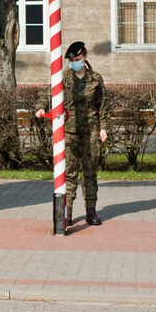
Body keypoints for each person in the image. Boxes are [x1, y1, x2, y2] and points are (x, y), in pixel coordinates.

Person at [35, 41, 109, 226]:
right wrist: (41, 107)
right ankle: (67, 213)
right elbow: (48, 94)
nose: (73, 63)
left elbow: (103, 105)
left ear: (84, 57)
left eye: (77, 59)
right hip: (69, 131)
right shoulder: (63, 78)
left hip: (90, 131)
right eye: (71, 60)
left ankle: (91, 212)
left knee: (90, 172)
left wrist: (103, 127)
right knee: (69, 173)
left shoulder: (95, 79)